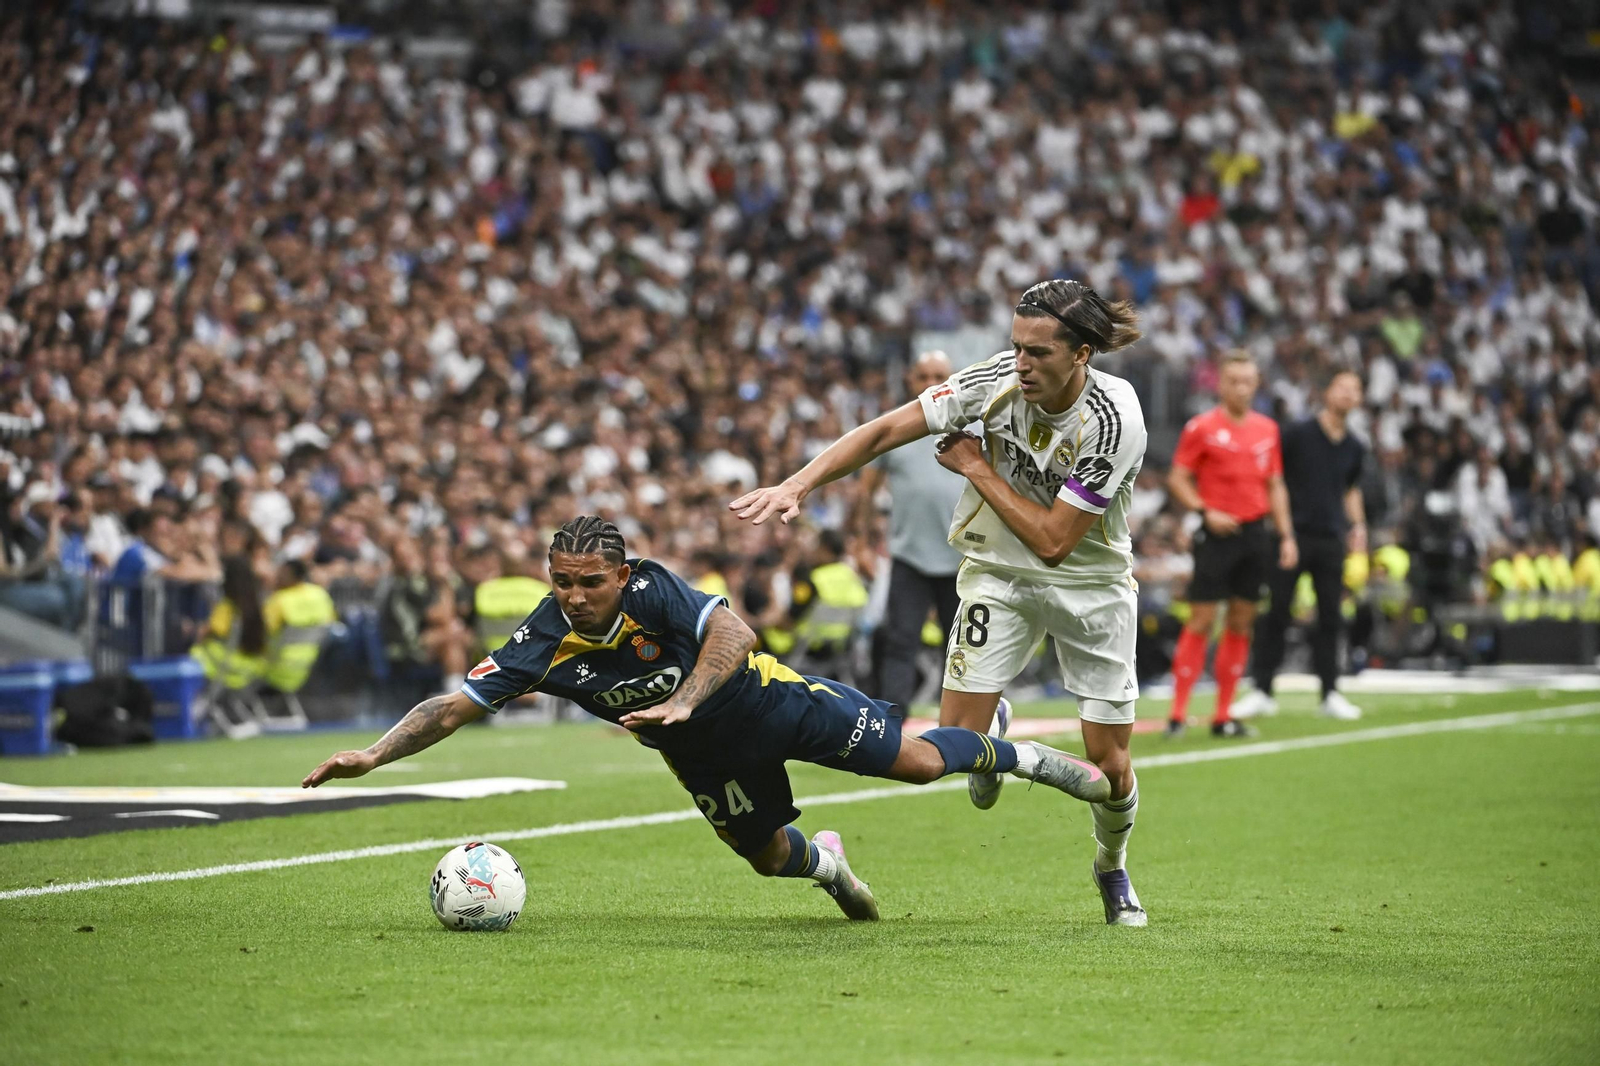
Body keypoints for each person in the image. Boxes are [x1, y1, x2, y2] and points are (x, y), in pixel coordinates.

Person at [303, 516, 1109, 921]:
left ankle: (1024, 757)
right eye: (561, 582)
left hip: (772, 701)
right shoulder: (540, 642)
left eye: (589, 581)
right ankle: (833, 867)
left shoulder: (656, 590)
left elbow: (736, 631)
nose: (575, 596)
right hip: (704, 761)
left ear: (621, 574)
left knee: (924, 763)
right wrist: (374, 756)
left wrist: (685, 698)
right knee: (767, 861)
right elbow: (454, 706)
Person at [731, 279, 1152, 927]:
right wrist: (799, 482)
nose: (1021, 364)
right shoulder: (994, 381)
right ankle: (999, 736)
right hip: (996, 576)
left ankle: (1111, 867)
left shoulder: (1114, 421)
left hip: (1090, 587)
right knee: (956, 745)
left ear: (1083, 355)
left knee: (1110, 769)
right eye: (1016, 347)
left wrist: (977, 468)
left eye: (1039, 352)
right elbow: (886, 430)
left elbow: (1053, 543)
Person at [1164, 351, 1296, 739]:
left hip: (1255, 534)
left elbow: (1275, 484)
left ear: (1256, 384)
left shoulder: (1267, 429)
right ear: (1220, 384)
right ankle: (1177, 714)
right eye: (1234, 380)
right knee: (1202, 619)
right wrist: (1205, 511)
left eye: (1248, 381)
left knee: (1242, 620)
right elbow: (1178, 478)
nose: (1241, 388)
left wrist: (1285, 534)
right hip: (1216, 535)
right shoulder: (1201, 427)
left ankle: (1223, 716)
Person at [1234, 369, 1368, 721]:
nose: (1348, 394)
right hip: (1290, 536)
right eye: (1342, 386)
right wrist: (1284, 532)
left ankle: (1330, 692)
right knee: (1276, 613)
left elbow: (1351, 489)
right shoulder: (1297, 434)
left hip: (1331, 539)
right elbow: (1274, 479)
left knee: (1331, 617)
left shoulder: (1355, 446)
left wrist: (1359, 525)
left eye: (1355, 389)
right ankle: (1262, 689)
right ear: (1327, 393)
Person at [853, 350, 967, 714]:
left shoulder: (972, 425)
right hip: (909, 556)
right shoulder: (895, 427)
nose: (932, 383)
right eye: (924, 376)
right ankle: (892, 725)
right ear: (910, 380)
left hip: (963, 557)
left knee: (963, 647)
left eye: (940, 375)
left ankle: (961, 720)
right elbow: (865, 491)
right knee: (901, 642)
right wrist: (861, 543)